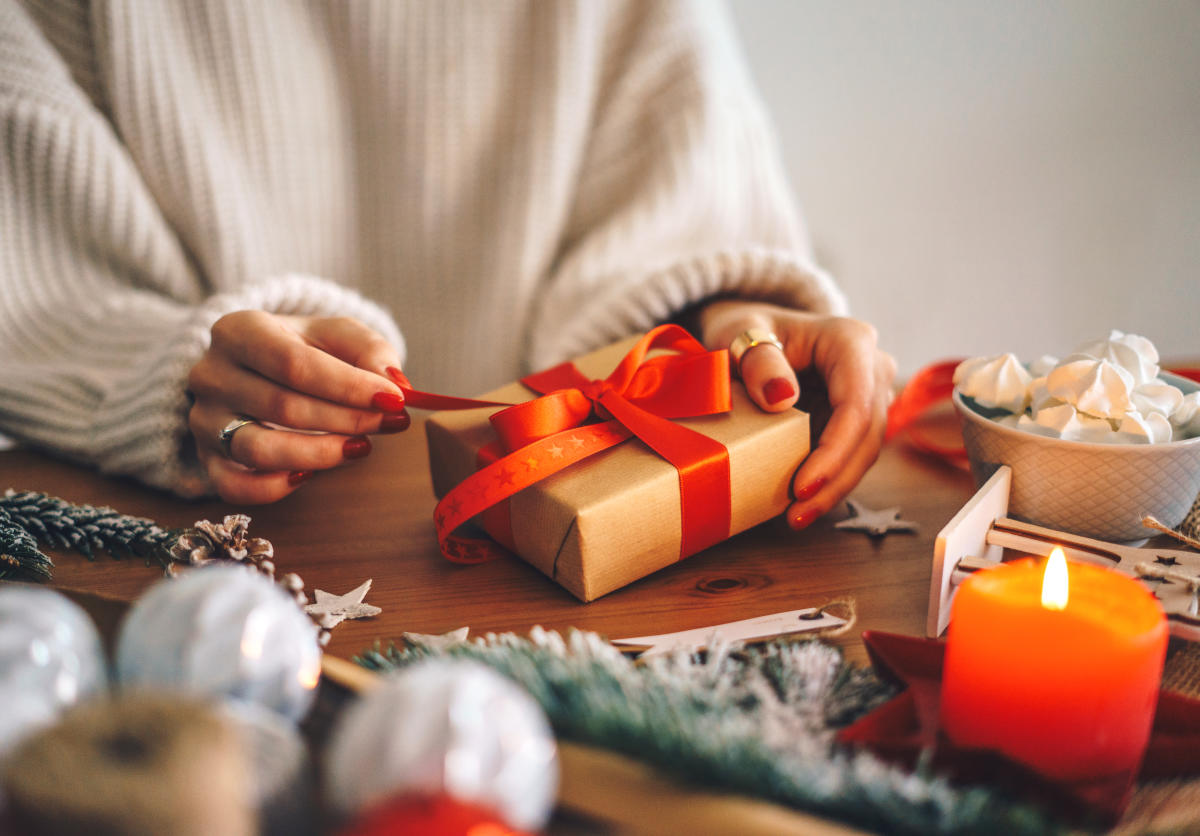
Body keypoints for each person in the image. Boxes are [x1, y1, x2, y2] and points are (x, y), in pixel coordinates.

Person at [0, 0, 894, 532]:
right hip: (193, 555)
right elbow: (33, 279)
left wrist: (735, 320)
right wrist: (173, 373)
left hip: (577, 566)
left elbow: (681, 225)